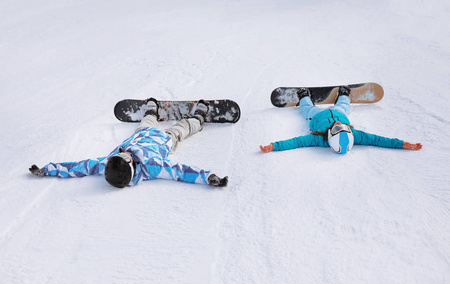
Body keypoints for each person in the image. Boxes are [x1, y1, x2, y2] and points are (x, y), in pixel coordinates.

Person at [29, 99, 228, 188]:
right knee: (182, 128)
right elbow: (182, 171)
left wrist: (47, 169)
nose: (126, 154)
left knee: (146, 122)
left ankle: (152, 111)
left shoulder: (105, 163)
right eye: (126, 157)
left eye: (120, 155)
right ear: (132, 166)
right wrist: (209, 177)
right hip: (166, 139)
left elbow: (77, 167)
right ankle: (199, 117)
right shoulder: (153, 167)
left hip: (142, 133)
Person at [260, 86, 422, 154]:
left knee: (306, 108)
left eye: (337, 129)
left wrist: (273, 146)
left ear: (329, 135)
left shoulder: (318, 138)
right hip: (338, 111)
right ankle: (343, 94)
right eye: (345, 128)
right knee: (344, 105)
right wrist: (403, 144)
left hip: (316, 116)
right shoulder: (355, 134)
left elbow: (296, 142)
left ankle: (303, 96)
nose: (339, 125)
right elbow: (379, 140)